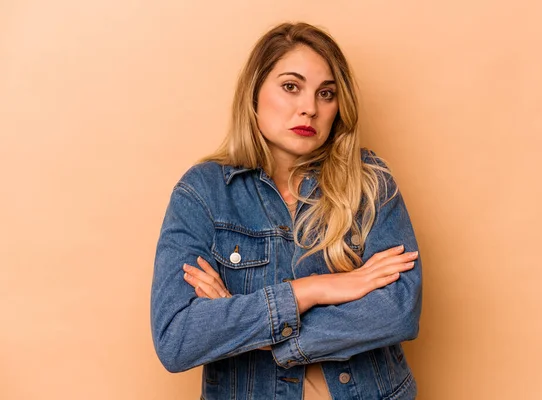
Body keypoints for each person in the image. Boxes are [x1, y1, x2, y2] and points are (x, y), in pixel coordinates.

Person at [151, 22, 422, 400]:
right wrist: (312, 290)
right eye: (291, 87)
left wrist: (266, 338)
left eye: (326, 94)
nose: (309, 108)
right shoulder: (204, 193)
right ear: (255, 93)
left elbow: (397, 310)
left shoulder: (369, 181)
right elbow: (177, 337)